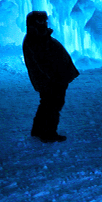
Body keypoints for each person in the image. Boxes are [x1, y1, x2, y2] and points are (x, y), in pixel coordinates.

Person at [22, 11, 79, 142]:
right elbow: (42, 62)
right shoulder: (35, 38)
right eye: (41, 21)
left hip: (51, 80)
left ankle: (37, 130)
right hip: (51, 81)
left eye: (45, 20)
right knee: (52, 106)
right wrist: (56, 78)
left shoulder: (38, 36)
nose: (45, 23)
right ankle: (48, 133)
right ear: (33, 23)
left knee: (47, 104)